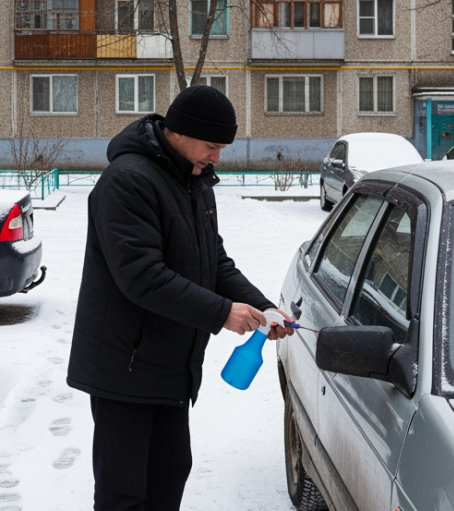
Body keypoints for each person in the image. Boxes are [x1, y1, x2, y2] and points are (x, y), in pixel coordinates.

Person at [67, 85, 294, 511]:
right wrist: (222, 312)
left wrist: (261, 306)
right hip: (126, 366)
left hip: (171, 365)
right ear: (179, 133)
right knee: (126, 494)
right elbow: (141, 277)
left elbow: (214, 263)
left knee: (169, 477)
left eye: (221, 148)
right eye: (211, 146)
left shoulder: (193, 180)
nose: (217, 158)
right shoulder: (127, 182)